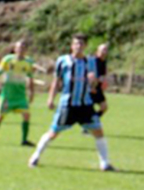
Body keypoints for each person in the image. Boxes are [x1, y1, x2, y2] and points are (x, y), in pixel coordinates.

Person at [28, 33, 115, 171]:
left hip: (85, 105)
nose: (78, 46)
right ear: (71, 45)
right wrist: (50, 99)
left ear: (85, 46)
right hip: (67, 105)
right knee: (53, 133)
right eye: (76, 43)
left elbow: (93, 84)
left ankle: (105, 164)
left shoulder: (91, 62)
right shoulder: (63, 61)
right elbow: (56, 81)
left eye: (81, 44)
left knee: (99, 132)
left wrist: (94, 82)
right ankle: (35, 157)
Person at [0, 40, 34, 146]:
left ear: (26, 50)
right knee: (0, 117)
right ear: (15, 49)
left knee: (26, 115)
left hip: (20, 94)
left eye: (23, 48)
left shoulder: (29, 62)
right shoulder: (7, 60)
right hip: (8, 94)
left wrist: (31, 92)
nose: (21, 50)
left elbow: (30, 78)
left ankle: (24, 140)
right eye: (19, 48)